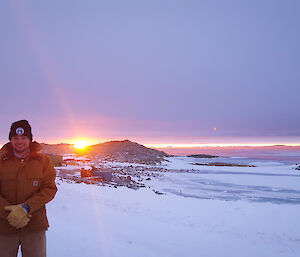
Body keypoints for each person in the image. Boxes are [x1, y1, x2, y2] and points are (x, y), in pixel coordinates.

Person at [0, 120, 57, 257]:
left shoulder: (44, 161)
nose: (19, 141)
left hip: (34, 226)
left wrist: (26, 208)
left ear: (30, 139)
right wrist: (10, 213)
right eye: (15, 138)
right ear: (10, 139)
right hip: (4, 226)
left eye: (23, 137)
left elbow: (49, 189)